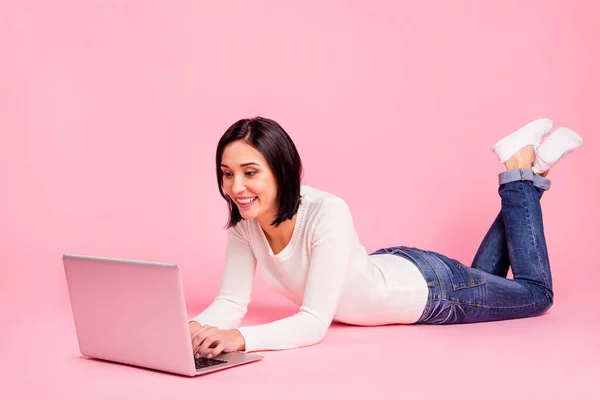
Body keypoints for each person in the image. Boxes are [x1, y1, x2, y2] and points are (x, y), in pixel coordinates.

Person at [188, 116, 583, 359]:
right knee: (485, 277)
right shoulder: (246, 221)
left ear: (281, 169)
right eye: (227, 173)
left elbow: (312, 324)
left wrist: (238, 339)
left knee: (535, 293)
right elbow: (229, 302)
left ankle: (521, 168)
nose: (236, 186)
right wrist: (188, 329)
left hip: (434, 293)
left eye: (250, 172)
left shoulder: (327, 211)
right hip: (402, 269)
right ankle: (532, 173)